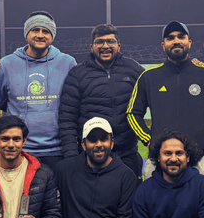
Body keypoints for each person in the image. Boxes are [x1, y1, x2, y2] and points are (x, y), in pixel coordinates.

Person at [127, 21, 204, 178]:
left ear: (189, 42)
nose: (176, 41)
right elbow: (132, 113)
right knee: (152, 195)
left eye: (181, 37)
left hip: (197, 159)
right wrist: (149, 140)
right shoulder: (148, 77)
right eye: (170, 38)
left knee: (200, 195)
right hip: (159, 159)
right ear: (163, 45)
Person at [58, 24, 145, 179]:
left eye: (110, 41)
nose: (105, 46)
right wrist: (71, 156)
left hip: (127, 152)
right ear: (92, 47)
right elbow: (67, 119)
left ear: (118, 46)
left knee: (130, 193)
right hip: (92, 154)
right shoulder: (77, 75)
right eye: (99, 42)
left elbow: (155, 95)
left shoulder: (134, 69)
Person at [0, 11, 77, 170]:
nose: (40, 35)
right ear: (27, 33)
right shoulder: (7, 64)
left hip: (57, 149)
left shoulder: (67, 63)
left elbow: (74, 104)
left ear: (52, 35)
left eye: (46, 31)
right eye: (35, 30)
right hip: (20, 150)